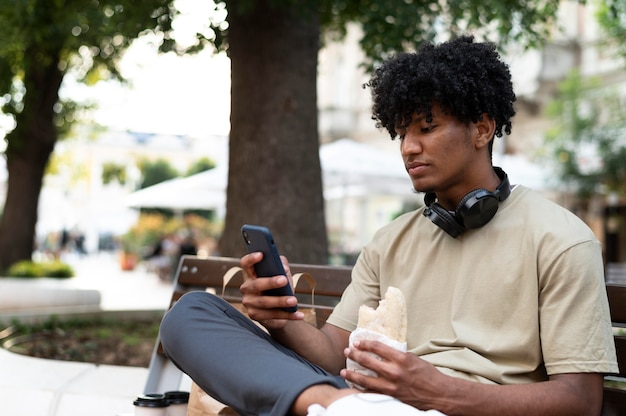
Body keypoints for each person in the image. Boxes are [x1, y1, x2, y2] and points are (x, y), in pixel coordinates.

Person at [160, 36, 618, 415]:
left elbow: (580, 400)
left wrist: (438, 392)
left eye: (427, 127)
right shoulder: (391, 240)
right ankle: (339, 406)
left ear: (482, 129)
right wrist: (281, 319)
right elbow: (333, 353)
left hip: (461, 407)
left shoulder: (562, 239)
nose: (409, 148)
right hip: (363, 398)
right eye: (402, 132)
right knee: (192, 314)